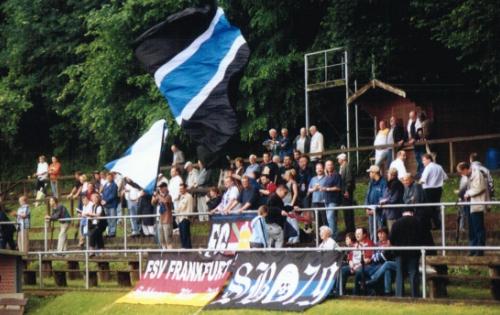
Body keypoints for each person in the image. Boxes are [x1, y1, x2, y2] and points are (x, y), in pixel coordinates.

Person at [457, 162, 488, 256]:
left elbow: (480, 187)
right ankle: (473, 249)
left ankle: (479, 250)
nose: (461, 174)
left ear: (466, 169)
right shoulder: (466, 177)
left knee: (478, 228)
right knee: (471, 228)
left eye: (461, 172)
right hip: (469, 204)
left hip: (476, 204)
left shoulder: (477, 174)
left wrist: (468, 193)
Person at [390, 210, 423, 297]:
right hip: (414, 252)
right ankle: (415, 295)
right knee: (413, 273)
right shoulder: (418, 222)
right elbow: (422, 237)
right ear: (412, 213)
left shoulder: (396, 223)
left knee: (399, 274)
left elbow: (392, 239)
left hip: (399, 253)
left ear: (402, 213)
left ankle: (399, 295)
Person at [402, 173, 434, 252]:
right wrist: (410, 200)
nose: (405, 182)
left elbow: (416, 200)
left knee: (425, 235)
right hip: (414, 215)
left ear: (411, 179)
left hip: (421, 216)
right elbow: (405, 200)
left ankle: (430, 252)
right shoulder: (406, 188)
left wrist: (409, 200)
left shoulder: (416, 186)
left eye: (407, 180)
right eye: (404, 180)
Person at [341, 228, 374, 295]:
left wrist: (356, 267)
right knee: (342, 270)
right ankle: (340, 292)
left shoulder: (369, 244)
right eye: (356, 234)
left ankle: (355, 294)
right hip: (354, 266)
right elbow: (350, 257)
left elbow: (367, 260)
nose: (357, 235)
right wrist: (351, 265)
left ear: (364, 235)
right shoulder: (355, 244)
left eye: (359, 234)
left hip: (365, 266)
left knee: (359, 271)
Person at [420, 153, 448, 229]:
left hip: (428, 190)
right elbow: (445, 178)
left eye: (424, 160)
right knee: (435, 208)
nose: (423, 162)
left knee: (428, 208)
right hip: (438, 189)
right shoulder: (439, 166)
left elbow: (423, 180)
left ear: (429, 160)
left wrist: (418, 184)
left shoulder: (428, 168)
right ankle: (438, 224)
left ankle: (430, 225)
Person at [366, 228, 396, 295]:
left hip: (389, 266)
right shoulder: (376, 244)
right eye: (379, 233)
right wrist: (379, 256)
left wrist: (379, 256)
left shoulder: (390, 243)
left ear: (387, 234)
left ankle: (373, 279)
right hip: (377, 266)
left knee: (387, 267)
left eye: (382, 233)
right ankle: (388, 292)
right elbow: (373, 257)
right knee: (386, 270)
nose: (380, 235)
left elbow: (385, 257)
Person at [364, 165, 387, 238]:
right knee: (371, 231)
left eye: (370, 172)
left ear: (374, 173)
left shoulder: (383, 183)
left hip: (379, 212)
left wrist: (376, 209)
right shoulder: (371, 182)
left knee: (380, 231)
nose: (369, 174)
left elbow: (384, 198)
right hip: (370, 210)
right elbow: (367, 195)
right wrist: (367, 207)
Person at [323, 160, 342, 239]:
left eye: (331, 165)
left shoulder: (336, 175)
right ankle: (336, 234)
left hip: (334, 200)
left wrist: (327, 189)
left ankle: (333, 235)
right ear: (325, 167)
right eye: (328, 165)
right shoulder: (327, 176)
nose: (329, 166)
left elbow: (338, 187)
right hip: (327, 200)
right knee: (331, 218)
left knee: (330, 217)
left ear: (333, 166)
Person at [337, 153, 356, 234]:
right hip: (344, 191)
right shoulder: (342, 167)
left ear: (342, 159)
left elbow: (349, 179)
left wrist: (347, 190)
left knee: (348, 210)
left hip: (346, 191)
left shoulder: (346, 166)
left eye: (339, 159)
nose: (338, 160)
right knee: (346, 210)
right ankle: (348, 227)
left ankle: (350, 228)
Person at [152, 183, 174, 249]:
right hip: (161, 221)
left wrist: (158, 195)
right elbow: (153, 203)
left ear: (166, 187)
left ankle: (170, 254)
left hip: (167, 221)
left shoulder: (169, 196)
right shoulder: (159, 196)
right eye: (160, 187)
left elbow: (165, 201)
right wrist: (154, 196)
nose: (160, 189)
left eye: (162, 187)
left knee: (168, 240)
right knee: (162, 240)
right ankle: (163, 254)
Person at [308, 162, 327, 227]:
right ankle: (319, 235)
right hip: (315, 201)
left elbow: (328, 188)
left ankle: (326, 234)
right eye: (317, 168)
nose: (319, 170)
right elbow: (309, 190)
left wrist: (322, 188)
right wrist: (314, 189)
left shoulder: (326, 178)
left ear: (323, 169)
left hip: (324, 201)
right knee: (317, 220)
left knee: (325, 219)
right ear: (315, 170)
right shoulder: (313, 179)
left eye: (320, 168)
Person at [176, 183, 193, 248]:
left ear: (185, 189)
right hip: (180, 218)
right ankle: (184, 247)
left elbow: (184, 207)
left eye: (182, 189)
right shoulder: (181, 196)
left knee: (186, 235)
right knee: (182, 235)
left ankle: (187, 249)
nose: (180, 190)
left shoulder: (188, 196)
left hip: (185, 218)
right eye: (179, 189)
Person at [102, 173, 119, 238]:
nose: (108, 178)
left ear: (112, 178)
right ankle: (109, 232)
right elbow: (103, 193)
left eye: (110, 177)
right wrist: (102, 200)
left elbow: (113, 195)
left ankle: (112, 232)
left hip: (112, 205)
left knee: (113, 218)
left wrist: (106, 201)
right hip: (106, 205)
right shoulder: (106, 185)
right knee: (108, 219)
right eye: (107, 177)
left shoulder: (114, 185)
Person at [407, 111, 424, 177]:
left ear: (415, 115)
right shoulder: (410, 122)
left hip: (419, 141)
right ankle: (419, 172)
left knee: (421, 156)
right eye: (410, 116)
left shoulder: (418, 121)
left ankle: (422, 172)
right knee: (417, 157)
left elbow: (419, 131)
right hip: (414, 143)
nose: (411, 117)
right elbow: (408, 131)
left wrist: (414, 138)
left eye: (412, 116)